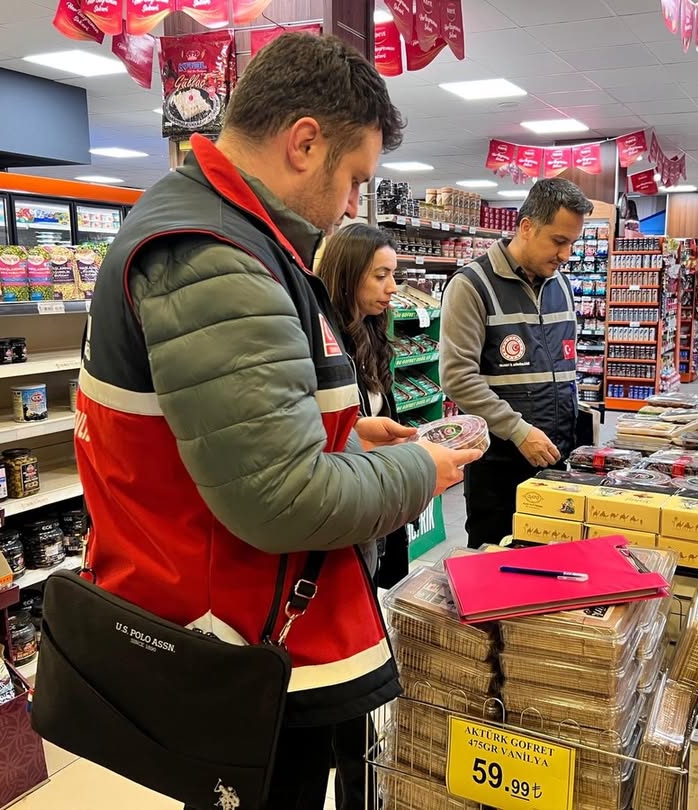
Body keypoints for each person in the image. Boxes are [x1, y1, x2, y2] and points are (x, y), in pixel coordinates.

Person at [72, 33, 480, 810]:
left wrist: (343, 436)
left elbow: (215, 428)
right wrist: (420, 471)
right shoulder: (214, 255)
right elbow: (278, 496)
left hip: (252, 627)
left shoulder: (239, 236)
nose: (354, 206)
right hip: (237, 641)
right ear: (304, 143)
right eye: (356, 179)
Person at [440, 178, 593, 548]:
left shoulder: (562, 286)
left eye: (573, 243)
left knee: (553, 562)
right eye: (559, 241)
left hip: (558, 455)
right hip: (499, 464)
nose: (566, 254)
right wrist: (519, 430)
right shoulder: (471, 285)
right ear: (526, 227)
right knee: (496, 565)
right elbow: (457, 378)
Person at [316, 223, 410, 589]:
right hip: (345, 501)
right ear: (347, 276)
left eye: (394, 275)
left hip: (379, 494)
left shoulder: (372, 332)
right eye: (380, 275)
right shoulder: (321, 340)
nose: (392, 287)